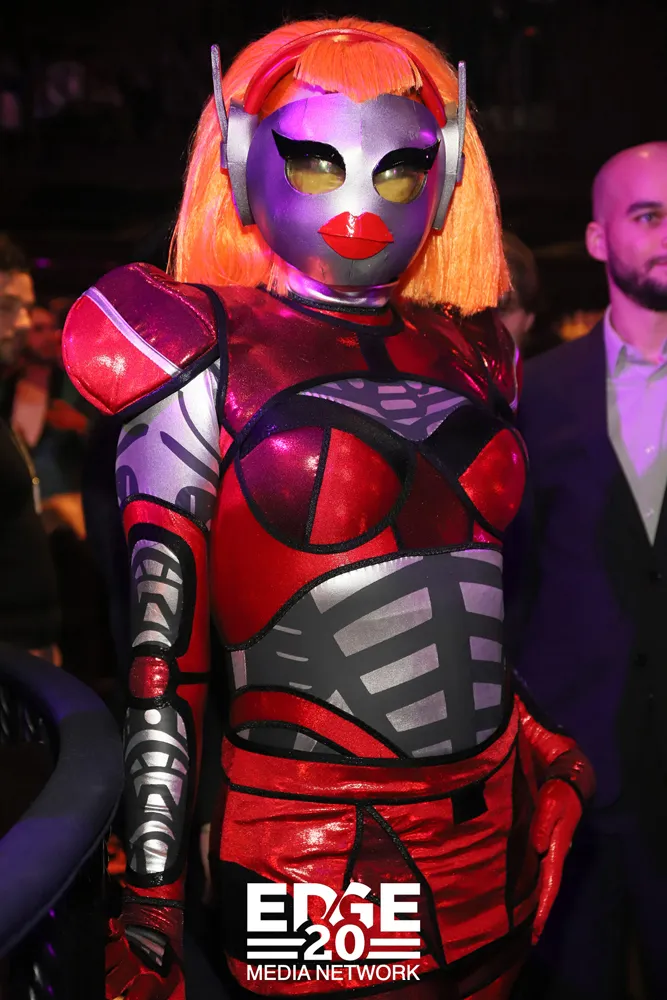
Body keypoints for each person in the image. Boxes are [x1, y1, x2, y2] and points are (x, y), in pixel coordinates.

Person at [63, 20, 593, 1000]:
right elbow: (162, 656)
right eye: (313, 158)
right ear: (238, 158)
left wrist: (534, 737)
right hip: (317, 834)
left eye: (400, 168)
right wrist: (151, 898)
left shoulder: (474, 350)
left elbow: (461, 584)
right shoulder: (198, 349)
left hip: (492, 820)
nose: (359, 199)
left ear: (445, 177)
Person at [505, 141, 667, 999]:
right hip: (575, 770)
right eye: (648, 216)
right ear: (599, 238)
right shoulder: (535, 396)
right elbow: (509, 584)